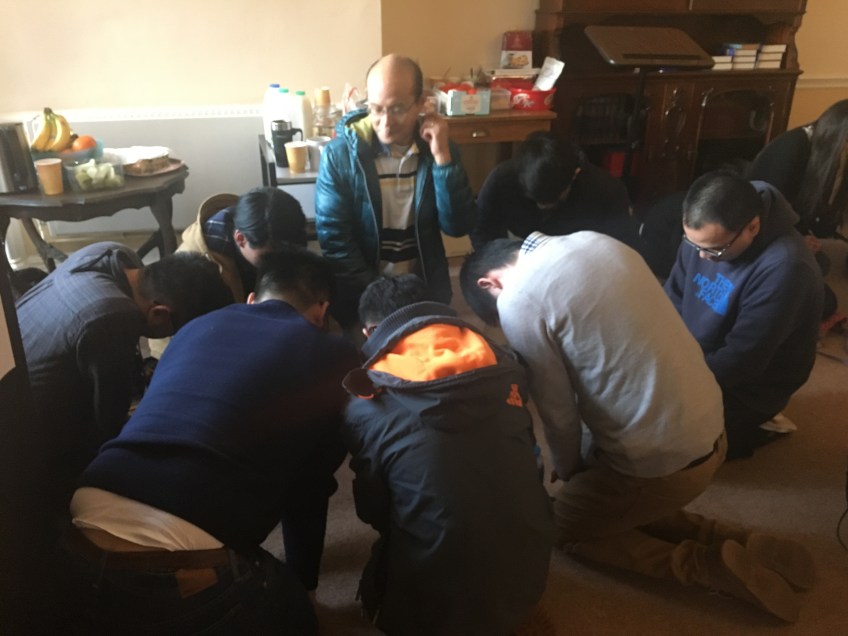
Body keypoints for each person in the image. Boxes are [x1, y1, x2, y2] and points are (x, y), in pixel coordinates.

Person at [460, 232, 814, 622]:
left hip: (664, 463)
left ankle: (701, 565)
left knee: (562, 527)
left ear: (489, 283)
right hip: (715, 426)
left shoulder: (518, 299)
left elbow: (558, 414)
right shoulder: (596, 241)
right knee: (609, 500)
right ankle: (733, 539)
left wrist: (569, 468)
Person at [62, 247, 359, 634]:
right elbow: (309, 489)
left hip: (80, 525)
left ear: (251, 299)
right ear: (322, 311)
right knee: (294, 613)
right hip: (181, 559)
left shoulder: (196, 327)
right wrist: (305, 585)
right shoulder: (335, 355)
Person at [343, 274, 554, 635]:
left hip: (437, 596)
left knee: (390, 572)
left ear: (371, 332)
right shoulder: (505, 367)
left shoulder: (365, 405)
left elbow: (372, 508)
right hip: (531, 566)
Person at [15, 242, 233, 517]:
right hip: (20, 451)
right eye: (176, 332)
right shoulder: (112, 317)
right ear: (159, 313)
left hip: (18, 389)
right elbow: (110, 425)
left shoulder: (111, 254)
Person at [664, 171, 824, 459]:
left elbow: (742, 360)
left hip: (750, 385)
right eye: (693, 244)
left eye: (715, 249)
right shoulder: (703, 238)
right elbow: (673, 297)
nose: (701, 257)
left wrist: (678, 383)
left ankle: (755, 427)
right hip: (698, 358)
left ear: (753, 227)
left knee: (670, 446)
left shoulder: (787, 268)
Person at [315, 53, 476, 330]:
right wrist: (382, 295)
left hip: (424, 289)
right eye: (376, 109)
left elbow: (457, 225)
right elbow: (335, 240)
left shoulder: (438, 150)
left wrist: (442, 160)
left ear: (421, 103)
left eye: (398, 109)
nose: (386, 122)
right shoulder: (339, 156)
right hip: (364, 297)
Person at [470, 131, 641, 252]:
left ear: (575, 174)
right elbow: (481, 230)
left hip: (581, 256)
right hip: (524, 252)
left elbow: (623, 245)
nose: (542, 207)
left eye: (555, 199)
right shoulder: (502, 179)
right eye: (534, 198)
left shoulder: (607, 189)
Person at [178, 186, 308, 302]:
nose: (280, 265)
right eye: (270, 258)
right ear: (240, 239)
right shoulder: (196, 272)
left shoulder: (251, 222)